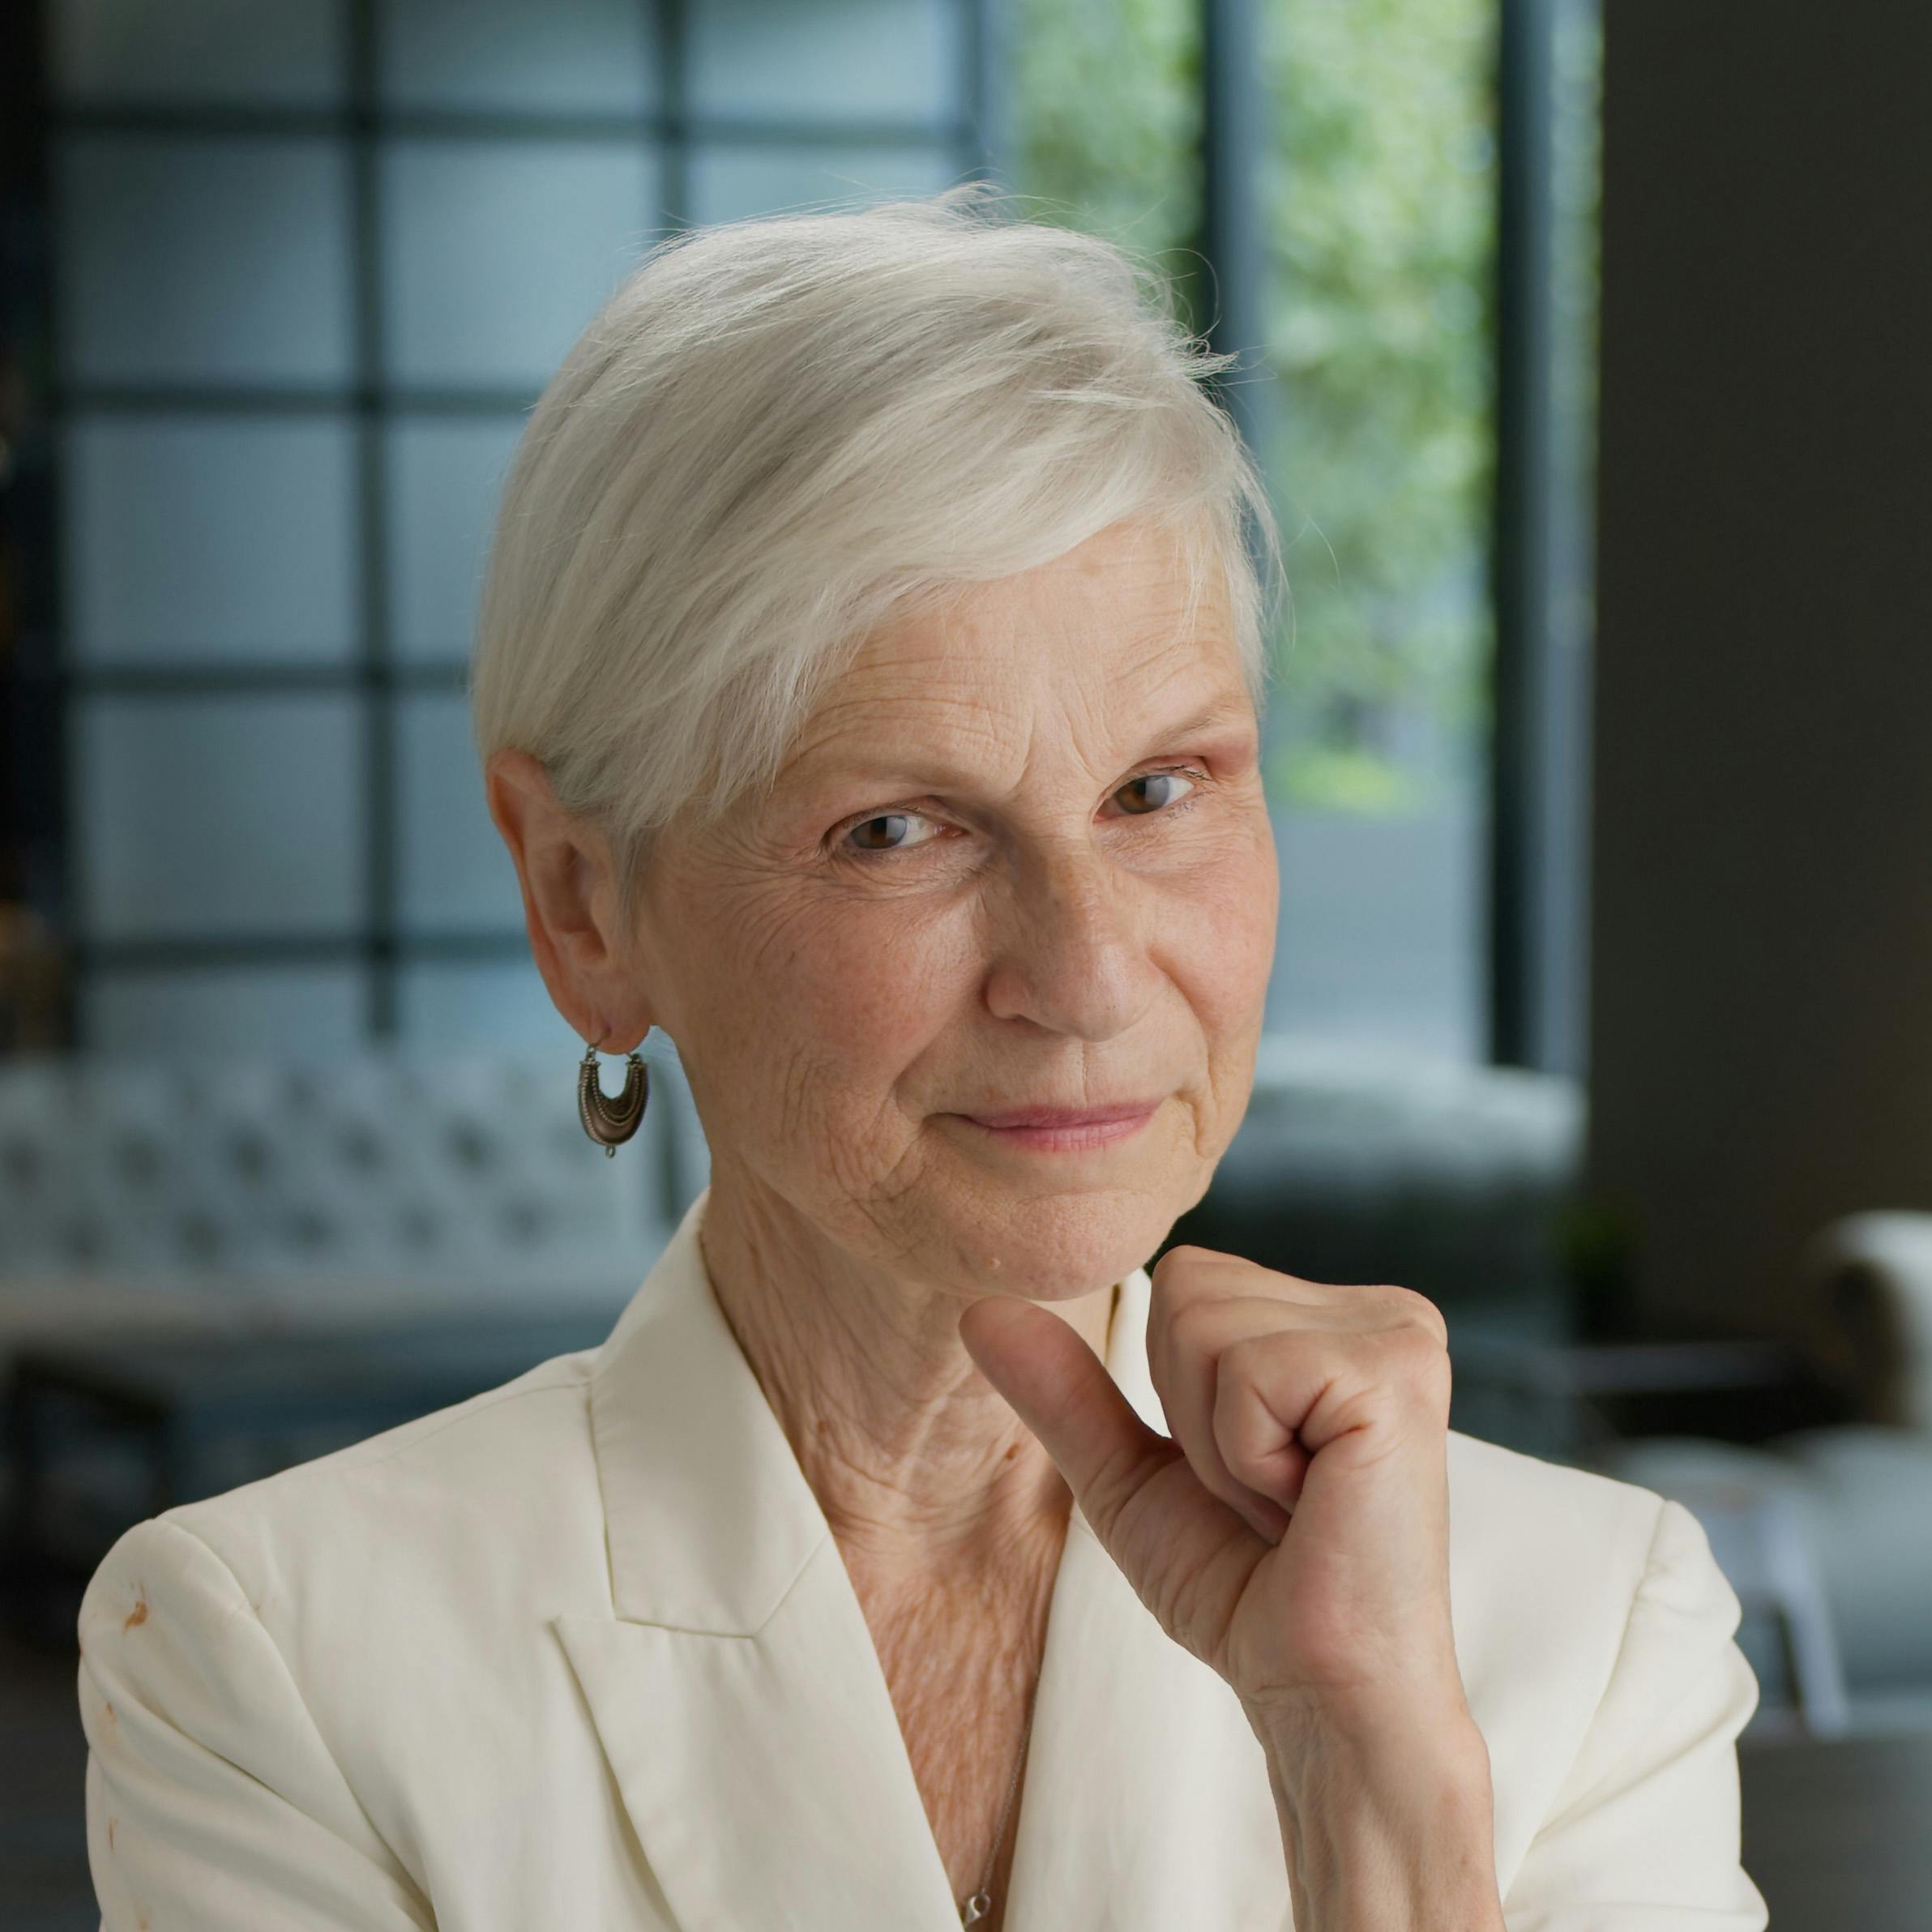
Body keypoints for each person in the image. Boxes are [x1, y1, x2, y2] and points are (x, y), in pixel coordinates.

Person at [76, 183, 1767, 1932]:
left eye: (1158, 790)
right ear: (583, 902)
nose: (1090, 975)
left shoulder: (1583, 1624)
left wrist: (1367, 1791)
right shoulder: (274, 1658)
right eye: (896, 828)